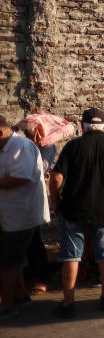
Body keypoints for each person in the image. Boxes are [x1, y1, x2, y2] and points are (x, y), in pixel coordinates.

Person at [50, 108, 104, 317]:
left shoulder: (73, 146)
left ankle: (68, 303)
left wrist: (55, 201)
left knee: (71, 256)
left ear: (82, 125)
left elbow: (56, 178)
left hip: (73, 209)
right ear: (103, 124)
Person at [0, 115, 49, 320]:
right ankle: (19, 296)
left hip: (22, 214)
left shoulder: (21, 146)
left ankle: (8, 305)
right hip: (10, 214)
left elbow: (21, 177)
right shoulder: (5, 148)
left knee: (8, 262)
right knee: (14, 259)